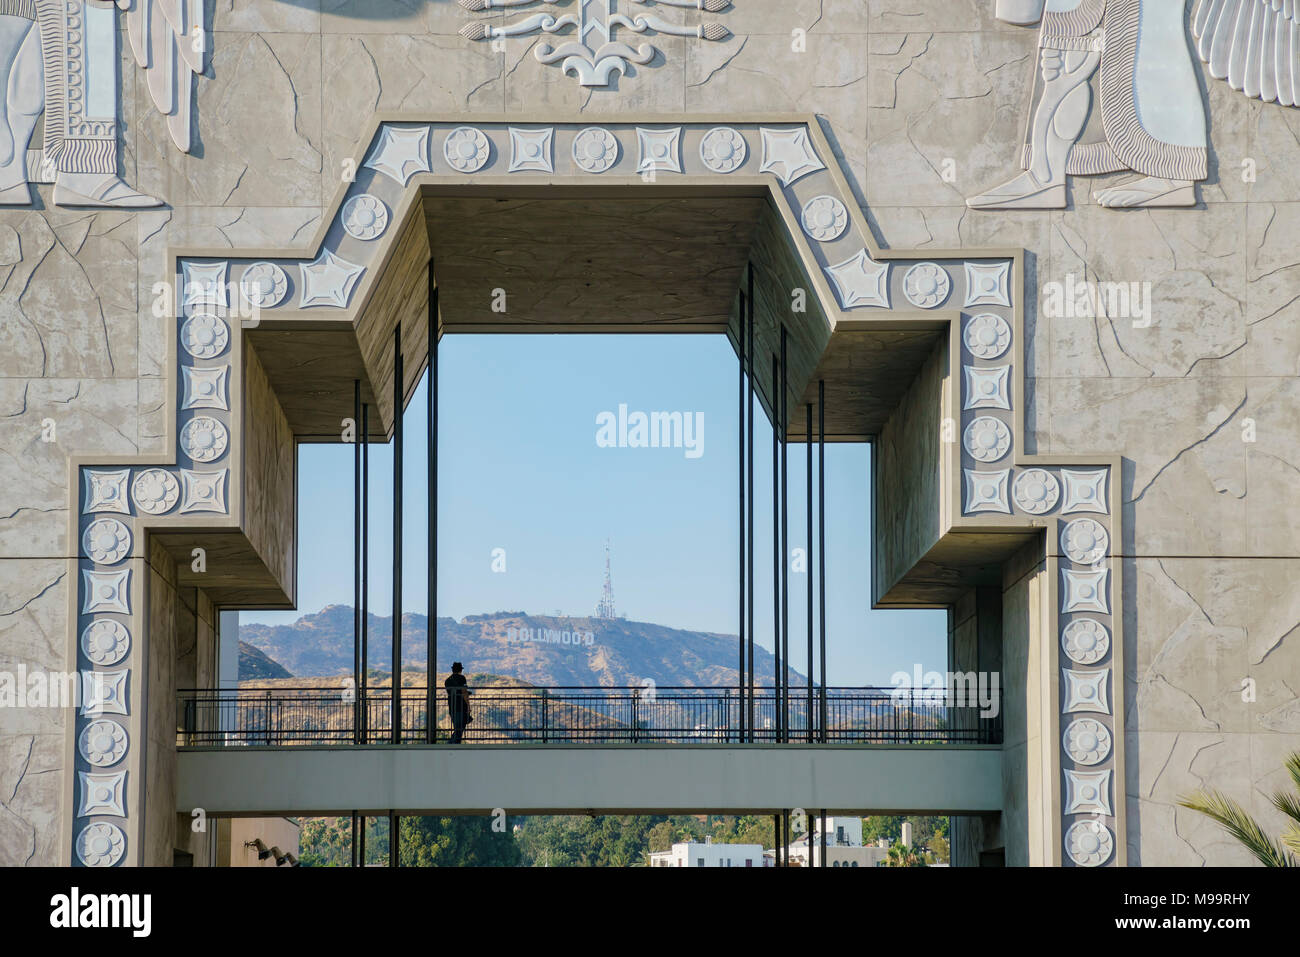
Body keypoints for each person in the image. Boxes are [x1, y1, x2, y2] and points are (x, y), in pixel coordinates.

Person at [445, 662, 471, 744]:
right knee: (460, 728)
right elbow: (464, 692)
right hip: (461, 706)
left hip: (452, 706)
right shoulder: (462, 678)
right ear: (460, 670)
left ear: (452, 670)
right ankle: (451, 744)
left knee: (457, 727)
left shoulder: (448, 680)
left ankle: (454, 743)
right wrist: (468, 706)